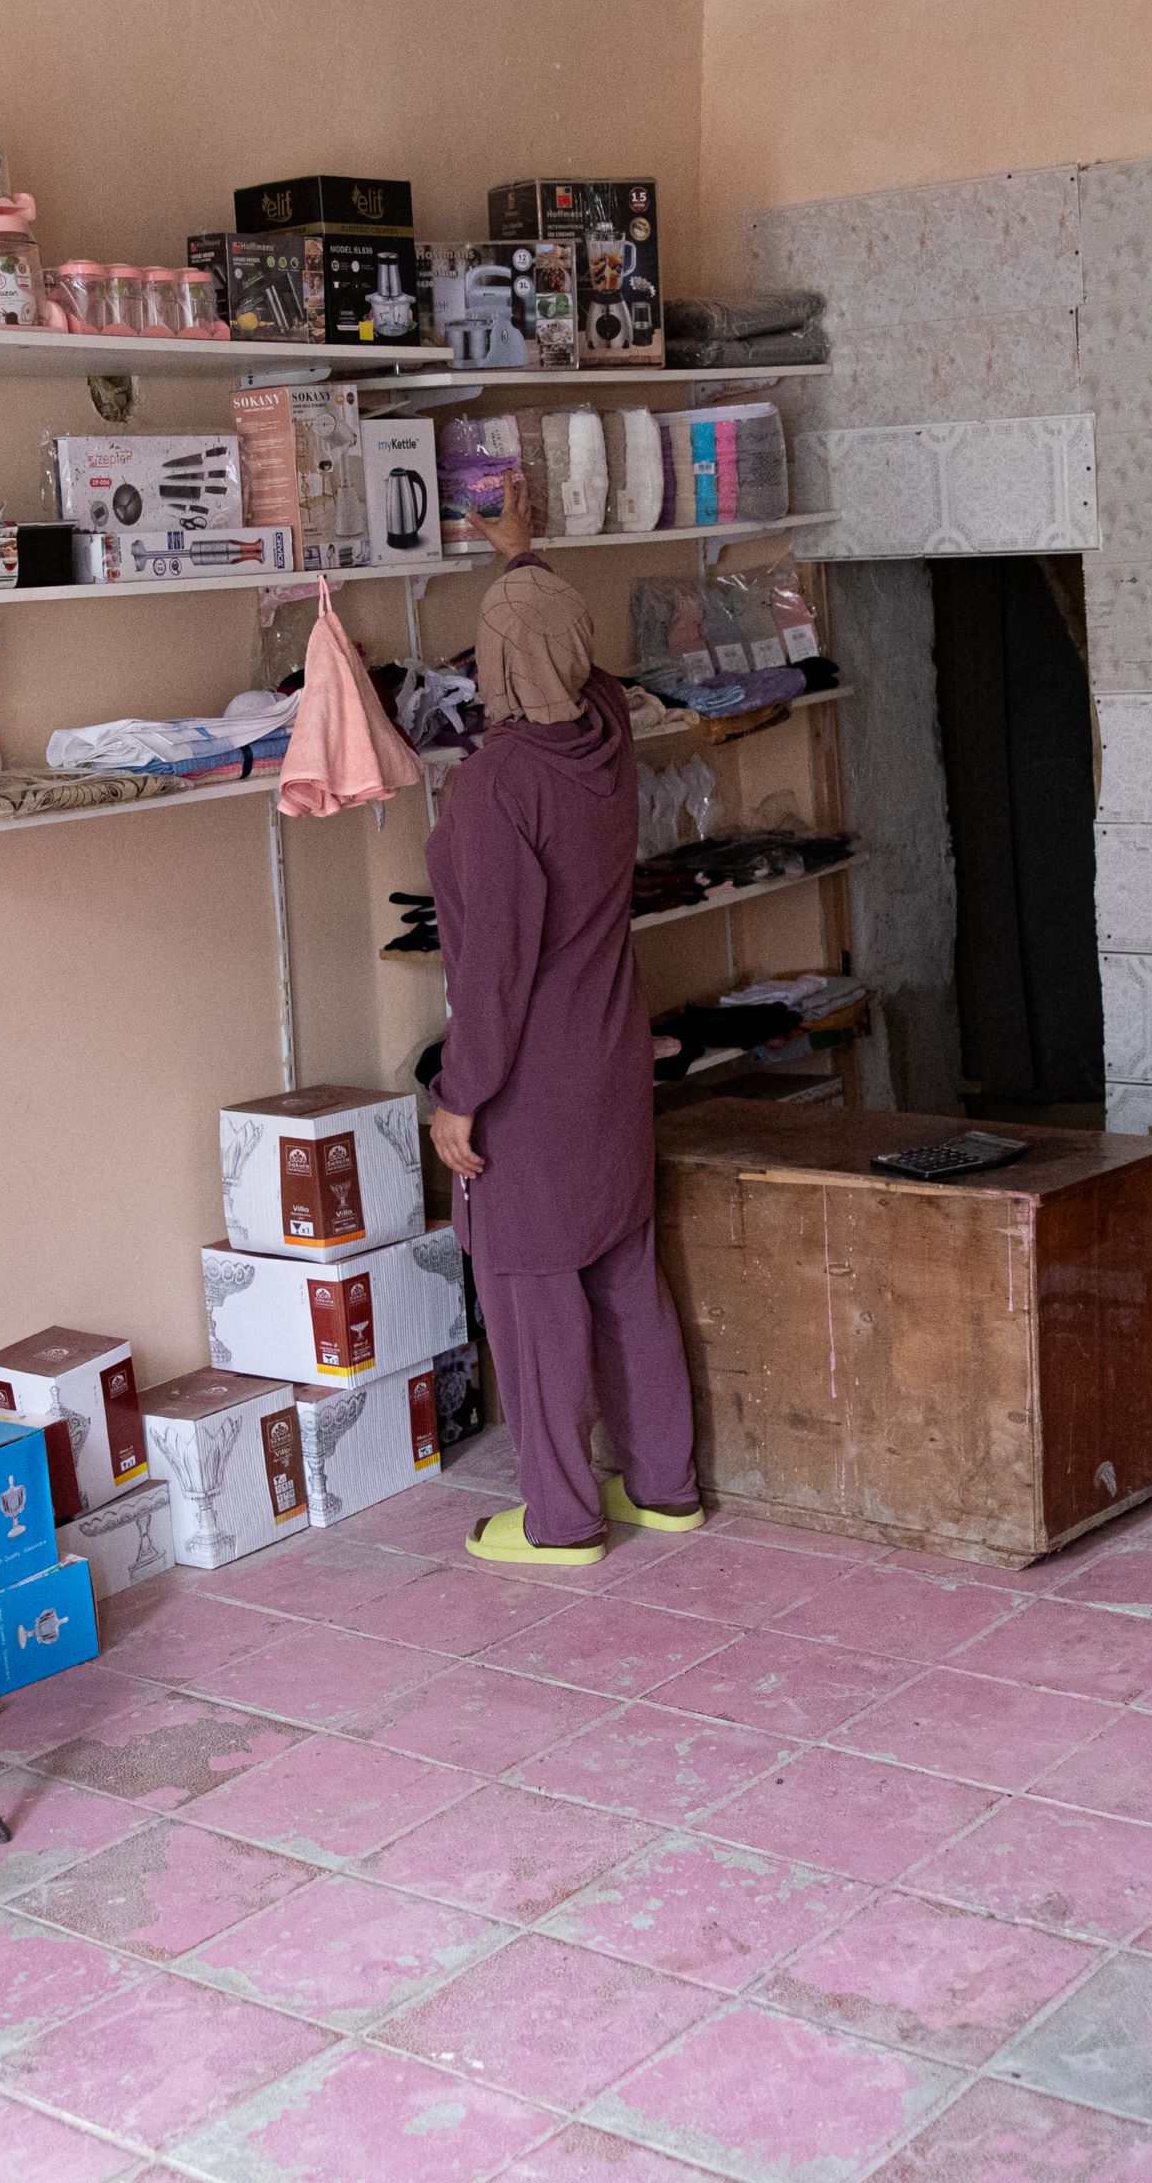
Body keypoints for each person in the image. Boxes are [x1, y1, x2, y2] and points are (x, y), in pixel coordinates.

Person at [425, 468, 707, 1565]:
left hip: (530, 1081)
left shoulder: (498, 784)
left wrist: (461, 1098)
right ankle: (666, 1488)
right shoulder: (605, 736)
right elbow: (557, 656)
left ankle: (561, 1520)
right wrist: (520, 558)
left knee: (534, 1303)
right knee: (626, 1276)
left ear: (493, 669)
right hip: (609, 1058)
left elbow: (492, 970)